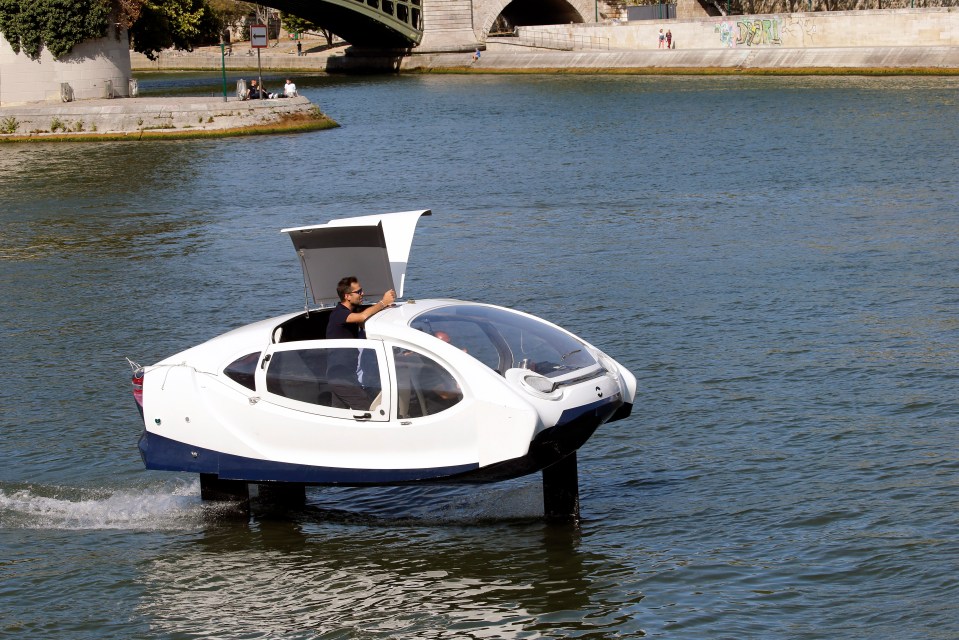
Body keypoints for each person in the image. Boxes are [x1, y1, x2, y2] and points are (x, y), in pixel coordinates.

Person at [325, 277, 395, 409]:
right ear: (347, 296)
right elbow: (362, 317)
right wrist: (383, 302)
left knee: (340, 414)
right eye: (359, 291)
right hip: (340, 377)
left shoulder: (349, 313)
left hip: (346, 375)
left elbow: (364, 319)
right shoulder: (338, 314)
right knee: (366, 408)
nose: (362, 293)